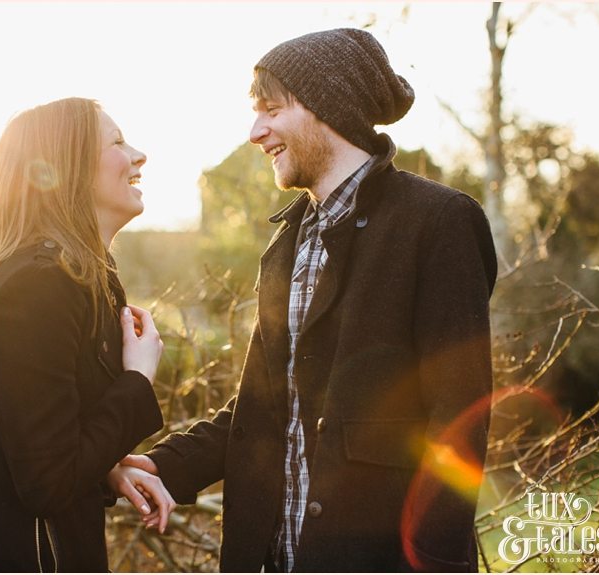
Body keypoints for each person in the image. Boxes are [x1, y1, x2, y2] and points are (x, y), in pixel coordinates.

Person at [121, 28, 497, 572]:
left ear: (328, 106)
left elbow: (458, 417)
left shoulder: (439, 221)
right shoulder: (286, 243)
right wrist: (160, 467)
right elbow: (265, 406)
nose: (255, 132)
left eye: (271, 109)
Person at [0, 97, 175, 572]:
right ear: (69, 168)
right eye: (118, 142)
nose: (140, 155)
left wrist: (107, 466)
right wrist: (137, 380)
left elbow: (41, 447)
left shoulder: (74, 278)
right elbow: (47, 482)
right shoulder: (36, 288)